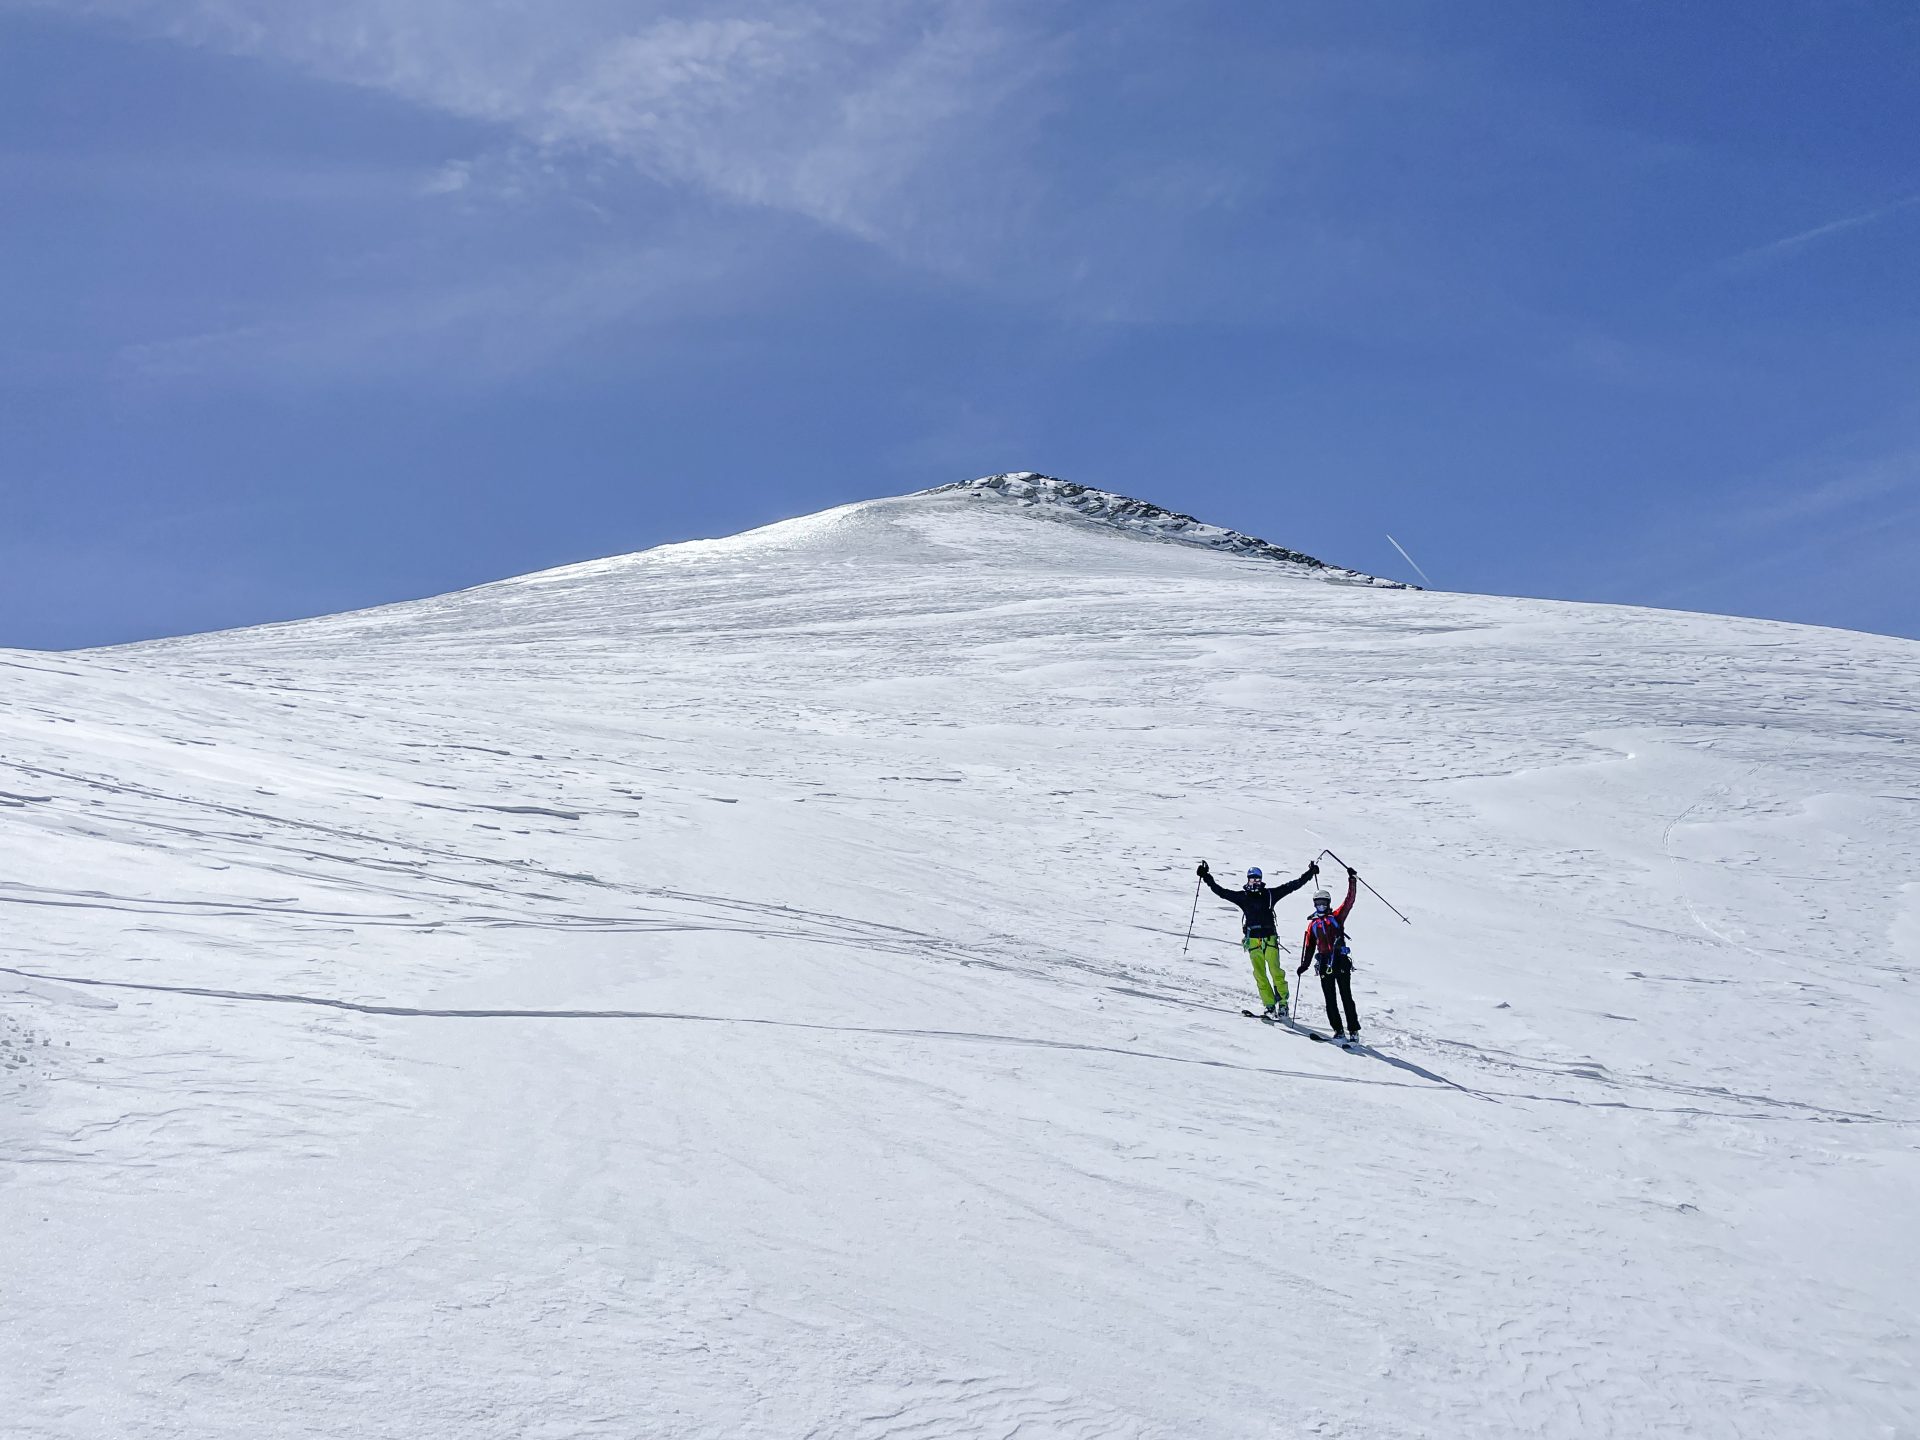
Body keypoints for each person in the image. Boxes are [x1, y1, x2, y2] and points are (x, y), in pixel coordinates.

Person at [1197, 858, 1320, 1018]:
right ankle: (1269, 1005)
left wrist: (1309, 873)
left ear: (1261, 880)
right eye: (1252, 878)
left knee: (1276, 972)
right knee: (1260, 974)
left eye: (1258, 878)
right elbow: (1222, 892)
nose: (1255, 881)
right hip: (1253, 942)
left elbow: (1292, 886)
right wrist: (1207, 877)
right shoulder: (1243, 897)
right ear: (1248, 879)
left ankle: (1283, 1003)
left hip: (1269, 940)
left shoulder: (1269, 894)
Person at [1299, 866, 1360, 1042]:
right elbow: (1310, 947)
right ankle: (1338, 1030)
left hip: (1340, 961)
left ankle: (1353, 1031)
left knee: (1346, 997)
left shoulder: (1336, 917)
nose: (1320, 906)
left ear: (1328, 903)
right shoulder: (1312, 925)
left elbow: (1349, 901)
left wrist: (1352, 880)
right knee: (1330, 999)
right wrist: (1304, 965)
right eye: (1318, 903)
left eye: (1323, 903)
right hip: (1325, 964)